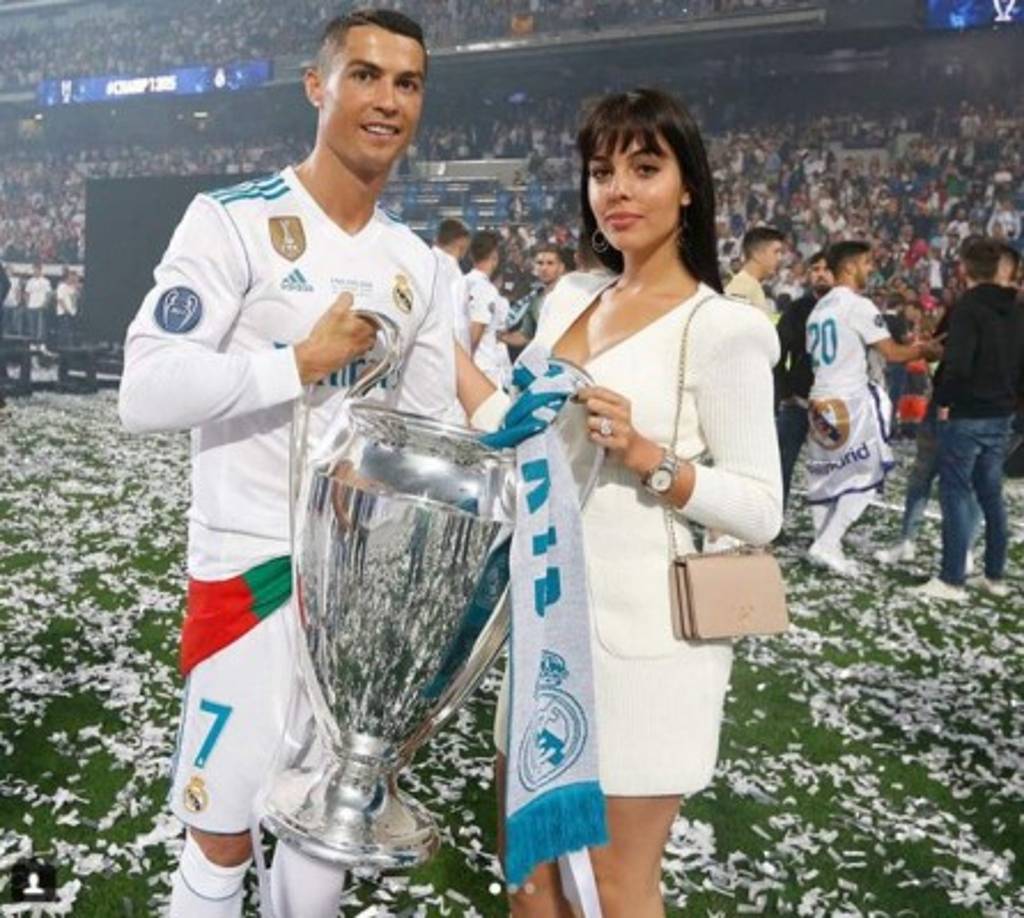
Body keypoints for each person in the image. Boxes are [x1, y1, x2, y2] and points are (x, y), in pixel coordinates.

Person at [118, 11, 456, 918]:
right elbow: (144, 390)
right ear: (319, 86)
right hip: (249, 569)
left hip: (357, 592)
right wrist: (296, 363)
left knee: (324, 824)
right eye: (365, 75)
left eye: (408, 83)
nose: (387, 99)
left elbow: (429, 427)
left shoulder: (422, 268)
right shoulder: (233, 221)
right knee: (222, 828)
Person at [457, 87, 782, 917]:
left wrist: (649, 457)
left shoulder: (724, 328)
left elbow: (760, 508)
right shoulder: (570, 297)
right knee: (530, 882)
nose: (619, 190)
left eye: (645, 167)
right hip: (544, 633)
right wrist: (432, 334)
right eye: (602, 171)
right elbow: (509, 423)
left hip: (648, 652)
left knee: (613, 886)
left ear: (689, 187)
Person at [804, 241, 940, 577]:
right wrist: (926, 351)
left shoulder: (818, 309)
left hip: (819, 399)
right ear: (849, 267)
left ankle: (823, 543)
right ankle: (827, 542)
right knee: (868, 472)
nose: (871, 269)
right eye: (866, 263)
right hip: (848, 400)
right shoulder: (858, 305)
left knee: (826, 475)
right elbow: (892, 354)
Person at [912, 237, 1024, 602]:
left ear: (964, 268)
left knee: (956, 494)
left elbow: (957, 365)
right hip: (1001, 414)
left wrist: (944, 401)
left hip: (967, 416)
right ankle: (994, 575)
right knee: (990, 495)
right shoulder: (1017, 308)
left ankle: (951, 579)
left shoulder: (968, 308)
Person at [774, 250, 832, 511]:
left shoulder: (846, 309)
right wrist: (785, 393)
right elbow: (776, 353)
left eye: (826, 269)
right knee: (780, 465)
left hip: (832, 405)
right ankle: (773, 522)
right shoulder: (797, 310)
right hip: (797, 402)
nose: (820, 274)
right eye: (815, 269)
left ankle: (825, 534)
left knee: (830, 469)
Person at [501, 244, 568, 360]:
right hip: (544, 365)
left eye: (550, 263)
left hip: (569, 361)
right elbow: (525, 336)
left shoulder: (572, 295)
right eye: (540, 263)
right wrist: (499, 335)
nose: (544, 268)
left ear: (561, 267)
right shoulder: (534, 300)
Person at [465, 229, 512, 388]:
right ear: (495, 256)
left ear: (471, 255)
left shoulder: (458, 284)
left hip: (469, 363)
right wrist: (467, 365)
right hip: (482, 367)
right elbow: (477, 327)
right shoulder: (485, 288)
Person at [725, 225, 786, 319]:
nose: (780, 258)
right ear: (757, 254)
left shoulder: (751, 285)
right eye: (776, 252)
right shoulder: (742, 287)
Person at [432, 217, 471, 350]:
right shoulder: (453, 273)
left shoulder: (422, 261)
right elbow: (457, 320)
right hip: (446, 349)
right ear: (461, 241)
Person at [24, 263, 51, 342]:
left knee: (40, 327)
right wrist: (27, 304)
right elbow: (26, 293)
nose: (35, 271)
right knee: (32, 326)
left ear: (40, 270)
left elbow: (49, 294)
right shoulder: (30, 281)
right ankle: (33, 342)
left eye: (37, 270)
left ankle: (40, 342)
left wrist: (45, 303)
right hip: (31, 306)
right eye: (34, 270)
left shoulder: (46, 281)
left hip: (40, 306)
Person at [55, 270, 80, 347]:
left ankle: (70, 346)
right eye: (71, 277)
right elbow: (60, 299)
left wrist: (76, 286)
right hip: (64, 313)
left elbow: (77, 298)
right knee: (64, 332)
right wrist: (66, 310)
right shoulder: (62, 286)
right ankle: (62, 347)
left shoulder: (73, 288)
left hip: (73, 313)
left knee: (71, 332)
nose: (72, 279)